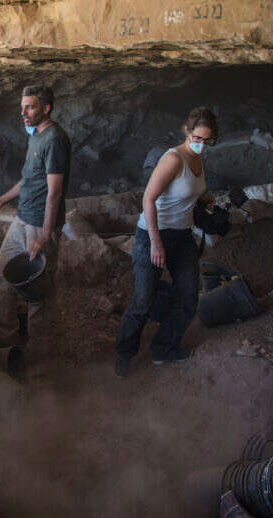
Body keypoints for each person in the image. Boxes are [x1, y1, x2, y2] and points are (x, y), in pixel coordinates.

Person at [114, 107, 218, 377]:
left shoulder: (198, 160)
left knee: (187, 297)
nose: (202, 145)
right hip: (152, 234)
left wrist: (203, 199)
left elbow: (185, 191)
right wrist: (155, 242)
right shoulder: (173, 159)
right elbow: (148, 199)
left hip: (182, 236)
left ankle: (163, 348)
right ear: (187, 131)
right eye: (198, 138)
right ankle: (124, 353)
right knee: (143, 298)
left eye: (208, 140)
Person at [0, 86, 71, 361]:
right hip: (21, 220)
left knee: (38, 293)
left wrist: (44, 235)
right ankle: (6, 341)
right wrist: (1, 201)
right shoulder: (36, 136)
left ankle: (40, 357)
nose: (23, 113)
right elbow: (29, 180)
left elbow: (54, 192)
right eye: (23, 107)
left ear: (46, 108)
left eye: (30, 107)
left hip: (38, 226)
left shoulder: (54, 139)